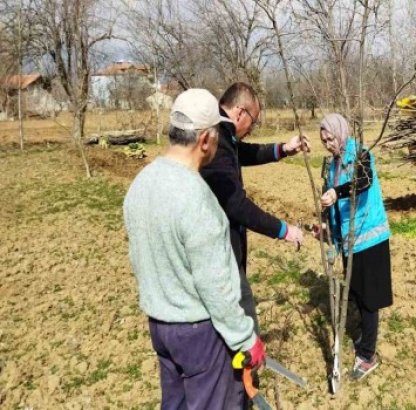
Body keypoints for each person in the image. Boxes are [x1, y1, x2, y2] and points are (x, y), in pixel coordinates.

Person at [123, 89, 265, 409]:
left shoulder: (141, 183)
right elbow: (215, 287)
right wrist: (246, 340)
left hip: (160, 326)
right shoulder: (197, 198)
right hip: (198, 334)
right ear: (205, 140)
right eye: (217, 136)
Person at [200, 82, 308, 330]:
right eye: (254, 121)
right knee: (241, 318)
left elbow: (243, 153)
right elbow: (236, 205)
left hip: (223, 247)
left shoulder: (223, 134)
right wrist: (284, 230)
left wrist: (283, 149)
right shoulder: (215, 137)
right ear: (240, 112)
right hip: (219, 250)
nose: (252, 128)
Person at [314, 113, 392, 380]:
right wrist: (327, 230)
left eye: (331, 138)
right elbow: (334, 206)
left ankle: (368, 355)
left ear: (342, 133)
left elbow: (364, 181)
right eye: (323, 140)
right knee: (357, 293)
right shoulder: (332, 164)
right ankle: (365, 338)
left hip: (368, 237)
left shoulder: (359, 153)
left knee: (369, 299)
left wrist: (338, 192)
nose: (328, 143)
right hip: (349, 242)